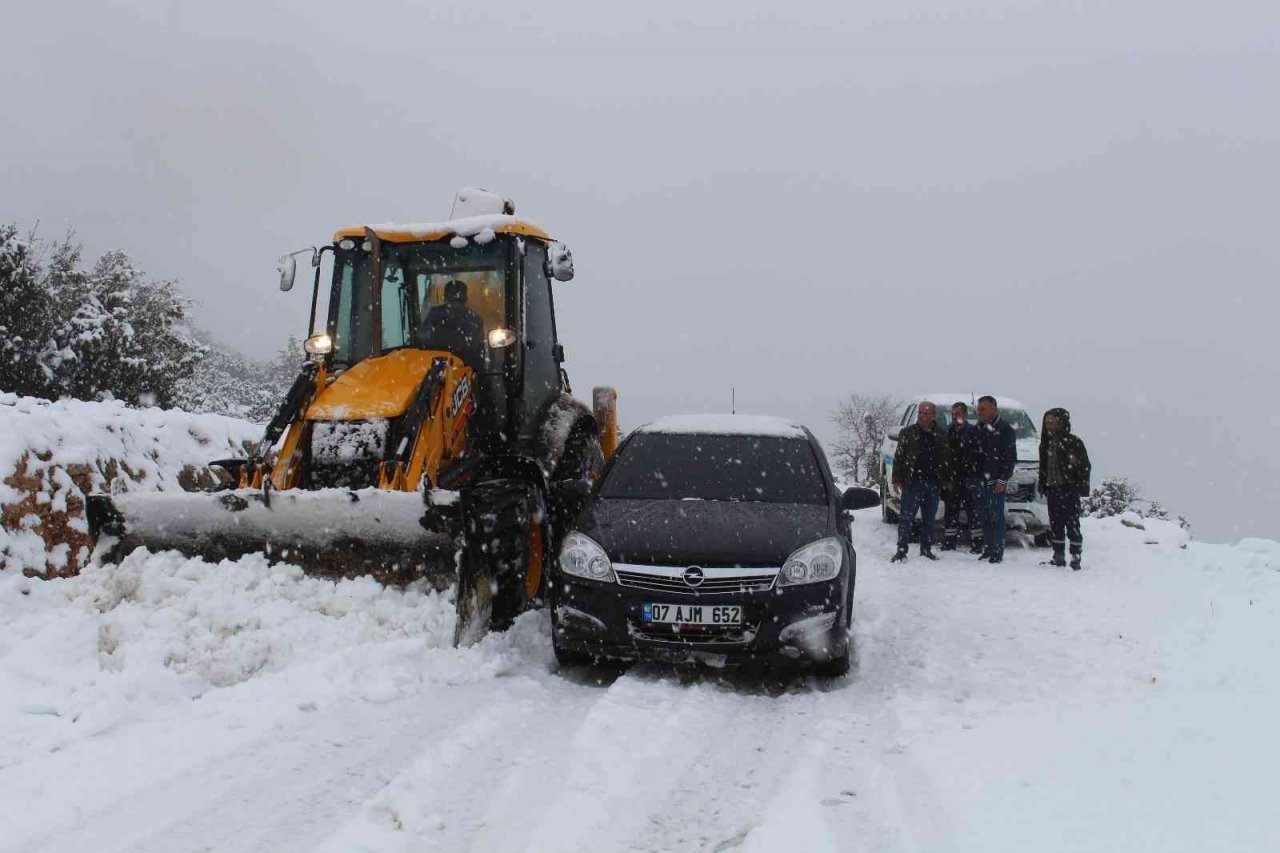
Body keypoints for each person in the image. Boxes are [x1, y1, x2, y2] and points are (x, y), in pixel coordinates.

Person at [890, 401, 951, 562]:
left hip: (932, 483)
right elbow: (899, 457)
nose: (922, 416)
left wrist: (945, 481)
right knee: (906, 519)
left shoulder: (942, 435)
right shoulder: (908, 433)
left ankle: (926, 549)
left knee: (929, 520)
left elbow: (947, 460)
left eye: (926, 413)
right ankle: (901, 550)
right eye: (920, 413)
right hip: (912, 483)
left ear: (933, 415)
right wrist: (897, 479)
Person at [1039, 407, 1092, 570]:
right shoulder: (1045, 444)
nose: (1048, 424)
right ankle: (1058, 555)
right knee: (1056, 524)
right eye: (1046, 421)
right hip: (1052, 489)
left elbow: (1085, 466)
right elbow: (1043, 467)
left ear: (1061, 423)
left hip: (1069, 490)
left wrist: (1080, 486)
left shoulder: (1073, 442)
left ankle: (1076, 555)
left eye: (1052, 421)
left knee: (1072, 523)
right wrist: (1043, 484)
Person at [975, 395, 1016, 564]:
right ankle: (989, 548)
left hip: (996, 482)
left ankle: (998, 551)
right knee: (983, 517)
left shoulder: (1005, 429)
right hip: (980, 481)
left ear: (994, 409)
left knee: (996, 518)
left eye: (983, 409)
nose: (980, 412)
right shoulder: (979, 427)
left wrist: (1002, 480)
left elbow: (1010, 458)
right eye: (978, 409)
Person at [942, 401, 983, 553]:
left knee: (974, 512)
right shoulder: (947, 432)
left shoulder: (974, 432)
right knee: (951, 511)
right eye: (952, 414)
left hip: (971, 478)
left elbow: (979, 456)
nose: (954, 417)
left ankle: (977, 543)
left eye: (957, 414)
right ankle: (949, 542)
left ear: (965, 415)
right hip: (953, 478)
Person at [417, 279, 485, 368]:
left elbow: (476, 350)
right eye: (452, 299)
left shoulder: (473, 319)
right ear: (445, 298)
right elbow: (422, 337)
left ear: (465, 299)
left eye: (459, 299)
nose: (456, 303)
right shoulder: (435, 314)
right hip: (435, 366)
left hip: (465, 368)